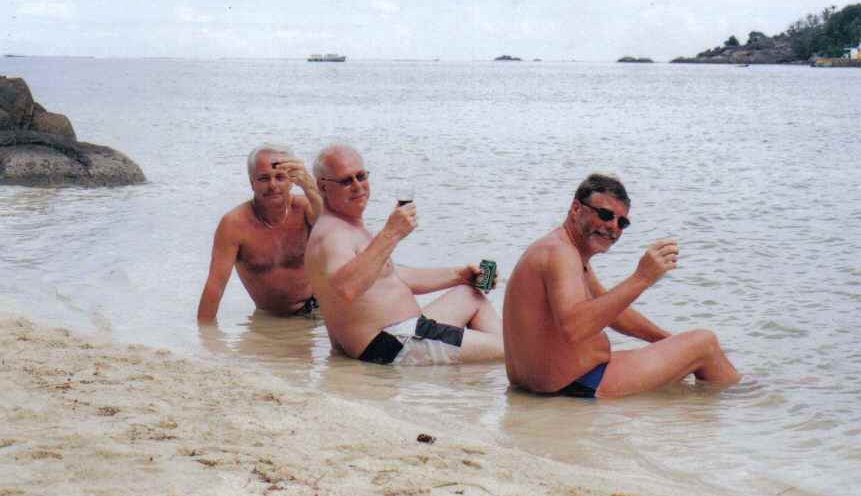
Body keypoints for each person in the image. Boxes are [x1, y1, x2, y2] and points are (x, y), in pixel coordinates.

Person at [503, 173, 740, 398]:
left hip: (551, 387)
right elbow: (574, 328)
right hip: (575, 387)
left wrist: (668, 341)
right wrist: (642, 277)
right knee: (705, 344)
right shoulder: (561, 253)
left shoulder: (564, 251)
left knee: (690, 353)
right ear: (576, 209)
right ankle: (743, 406)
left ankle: (717, 408)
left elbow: (614, 314)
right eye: (605, 215)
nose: (613, 226)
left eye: (622, 222)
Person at [304, 144, 504, 365]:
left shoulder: (347, 225)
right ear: (323, 187)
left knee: (470, 295)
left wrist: (459, 275)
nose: (357, 186)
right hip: (394, 344)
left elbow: (390, 276)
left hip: (408, 330)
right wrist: (391, 233)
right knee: (511, 350)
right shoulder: (332, 235)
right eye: (346, 181)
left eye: (361, 176)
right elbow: (347, 288)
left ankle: (484, 375)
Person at [196, 144, 323, 322]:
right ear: (252, 183)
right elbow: (215, 286)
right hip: (271, 320)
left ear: (291, 181)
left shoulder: (305, 209)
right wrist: (204, 335)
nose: (272, 185)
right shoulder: (234, 225)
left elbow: (334, 231)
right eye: (264, 178)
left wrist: (310, 187)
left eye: (280, 177)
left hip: (320, 309)